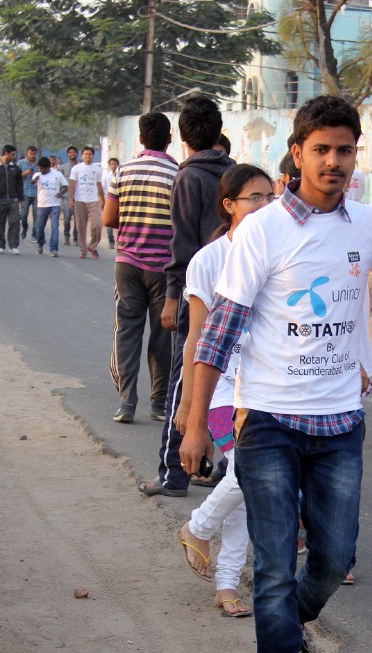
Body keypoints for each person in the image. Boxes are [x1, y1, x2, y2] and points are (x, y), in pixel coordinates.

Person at [179, 95, 372, 653]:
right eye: (321, 150)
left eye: (345, 150)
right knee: (274, 566)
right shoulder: (262, 230)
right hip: (269, 422)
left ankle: (290, 619)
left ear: (356, 157)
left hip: (338, 427)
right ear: (297, 154)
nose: (334, 162)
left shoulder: (371, 226)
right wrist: (193, 424)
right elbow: (219, 333)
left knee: (333, 559)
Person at [172, 164, 276, 616]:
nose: (264, 206)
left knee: (245, 486)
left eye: (270, 197)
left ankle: (227, 585)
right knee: (248, 472)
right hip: (219, 389)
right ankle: (197, 526)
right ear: (229, 205)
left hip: (262, 387)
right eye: (254, 197)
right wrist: (189, 403)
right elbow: (195, 338)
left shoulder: (276, 249)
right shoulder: (209, 260)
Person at [138, 95, 235, 498]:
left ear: (183, 137)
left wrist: (172, 297)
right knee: (232, 380)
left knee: (185, 380)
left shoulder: (188, 178)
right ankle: (218, 468)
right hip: (239, 293)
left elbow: (182, 245)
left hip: (199, 292)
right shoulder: (238, 176)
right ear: (218, 130)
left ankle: (172, 474)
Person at [103, 112, 178, 425]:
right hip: (164, 267)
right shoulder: (177, 172)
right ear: (169, 139)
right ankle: (158, 403)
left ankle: (126, 401)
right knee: (162, 335)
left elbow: (109, 219)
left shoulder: (123, 171)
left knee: (127, 330)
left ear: (141, 139)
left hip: (128, 263)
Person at [0, 145, 24, 254]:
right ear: (6, 154)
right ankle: (0, 245)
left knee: (15, 222)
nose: (14, 156)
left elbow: (19, 185)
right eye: (12, 154)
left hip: (13, 200)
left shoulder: (16, 168)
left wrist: (21, 199)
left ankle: (13, 245)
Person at [68, 146, 104, 258]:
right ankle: (82, 250)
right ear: (82, 156)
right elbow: (72, 185)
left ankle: (93, 246)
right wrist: (70, 199)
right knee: (81, 226)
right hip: (80, 200)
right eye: (86, 154)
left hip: (93, 200)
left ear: (93, 156)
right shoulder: (76, 169)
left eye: (90, 154)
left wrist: (103, 199)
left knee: (97, 224)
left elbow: (99, 185)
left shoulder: (97, 169)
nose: (88, 156)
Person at [32, 155, 67, 256]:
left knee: (54, 227)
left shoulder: (57, 174)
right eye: (39, 168)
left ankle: (54, 249)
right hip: (42, 205)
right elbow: (32, 182)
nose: (40, 169)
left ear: (48, 167)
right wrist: (35, 180)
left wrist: (61, 193)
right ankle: (40, 243)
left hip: (54, 204)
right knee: (40, 227)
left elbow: (65, 186)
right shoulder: (38, 175)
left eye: (42, 168)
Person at [17, 146, 39, 241]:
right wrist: (24, 174)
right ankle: (25, 227)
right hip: (24, 193)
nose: (32, 156)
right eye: (31, 154)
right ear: (27, 153)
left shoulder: (39, 164)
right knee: (23, 215)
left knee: (36, 215)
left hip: (37, 193)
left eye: (34, 154)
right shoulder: (21, 163)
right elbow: (15, 177)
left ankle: (34, 234)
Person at [60, 146, 79, 245]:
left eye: (74, 152)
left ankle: (76, 238)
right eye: (70, 152)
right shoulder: (63, 167)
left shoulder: (81, 166)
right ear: (68, 154)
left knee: (77, 219)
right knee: (67, 217)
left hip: (79, 196)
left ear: (77, 153)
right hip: (67, 196)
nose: (72, 154)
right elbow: (60, 182)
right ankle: (66, 236)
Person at [102, 157, 120, 248]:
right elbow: (103, 189)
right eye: (112, 164)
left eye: (115, 164)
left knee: (119, 222)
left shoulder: (120, 175)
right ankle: (111, 240)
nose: (113, 166)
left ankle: (119, 241)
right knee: (109, 221)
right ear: (109, 166)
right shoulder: (106, 177)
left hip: (120, 203)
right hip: (109, 202)